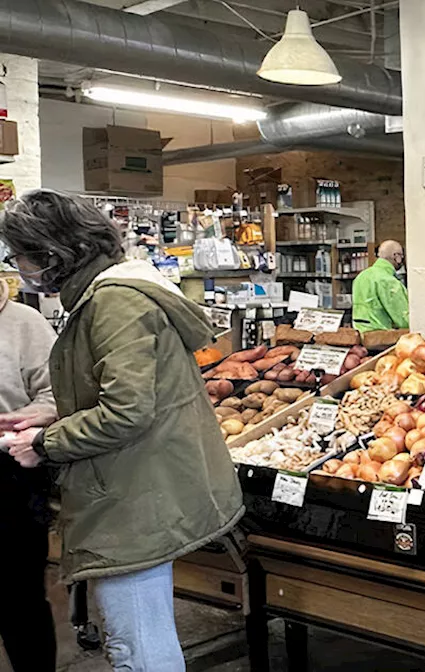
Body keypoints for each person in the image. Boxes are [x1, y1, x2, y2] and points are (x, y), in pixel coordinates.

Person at [0, 189, 244, 671]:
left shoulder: (115, 304)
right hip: (138, 483)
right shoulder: (107, 296)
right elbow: (120, 391)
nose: (19, 268)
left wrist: (44, 443)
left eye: (21, 256)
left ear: (54, 254)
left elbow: (127, 412)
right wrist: (52, 413)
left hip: (138, 494)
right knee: (140, 632)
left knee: (136, 643)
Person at [0, 287, 58, 672]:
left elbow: (58, 396)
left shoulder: (25, 324)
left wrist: (18, 423)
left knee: (19, 599)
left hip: (9, 473)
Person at [353, 240, 410, 333]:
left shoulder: (361, 276)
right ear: (397, 256)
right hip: (381, 337)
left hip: (360, 335)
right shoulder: (388, 281)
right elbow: (403, 320)